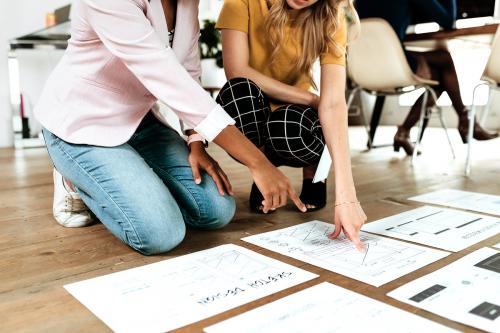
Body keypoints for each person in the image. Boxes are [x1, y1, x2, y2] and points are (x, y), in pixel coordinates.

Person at [34, 0, 306, 256]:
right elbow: (165, 75)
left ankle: (129, 174)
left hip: (140, 120)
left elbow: (187, 70)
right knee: (160, 233)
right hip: (82, 124)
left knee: (216, 210)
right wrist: (257, 161)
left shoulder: (188, 3)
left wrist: (196, 141)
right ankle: (72, 177)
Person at [216, 0, 367, 250]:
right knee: (237, 93)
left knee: (289, 126)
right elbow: (237, 71)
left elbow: (334, 103)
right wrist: (311, 98)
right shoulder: (240, 2)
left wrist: (347, 195)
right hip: (256, 103)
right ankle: (265, 169)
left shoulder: (332, 15)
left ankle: (312, 170)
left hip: (294, 118)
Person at [356, 0, 498, 155]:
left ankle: (404, 133)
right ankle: (467, 121)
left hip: (363, 67)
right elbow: (448, 21)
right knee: (444, 62)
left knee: (440, 75)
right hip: (392, 63)